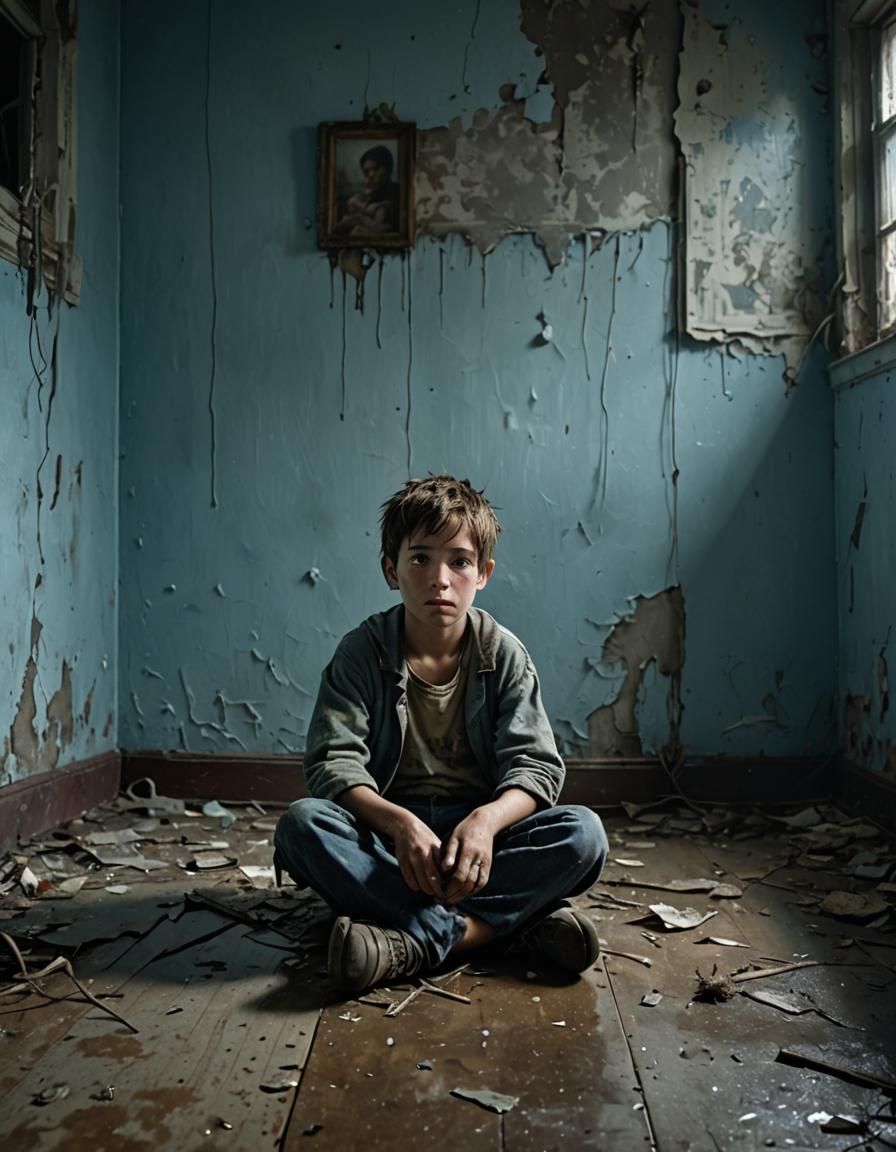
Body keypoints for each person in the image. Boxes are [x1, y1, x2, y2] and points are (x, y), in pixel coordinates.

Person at [274, 475, 608, 992]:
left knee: (583, 834)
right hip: (390, 841)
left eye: (460, 561)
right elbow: (332, 764)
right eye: (420, 559)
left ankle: (412, 940)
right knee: (302, 826)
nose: (440, 579)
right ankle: (496, 931)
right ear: (391, 570)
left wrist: (485, 823)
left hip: (478, 842)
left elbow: (536, 767)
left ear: (484, 573)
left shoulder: (503, 655)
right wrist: (400, 824)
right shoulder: (362, 653)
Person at [333, 144, 400, 236]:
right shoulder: (372, 194)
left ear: (387, 168)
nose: (371, 175)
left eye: (375, 169)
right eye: (366, 172)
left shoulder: (398, 192)